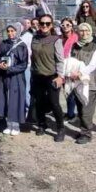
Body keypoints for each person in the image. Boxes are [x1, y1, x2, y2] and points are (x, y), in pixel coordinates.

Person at [29, 14, 66, 142]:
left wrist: (61, 76)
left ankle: (60, 128)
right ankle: (41, 124)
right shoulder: (35, 38)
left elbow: (60, 60)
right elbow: (32, 57)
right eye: (42, 23)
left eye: (47, 23)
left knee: (54, 103)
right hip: (37, 75)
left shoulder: (56, 40)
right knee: (38, 102)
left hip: (52, 76)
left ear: (51, 25)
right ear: (38, 24)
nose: (44, 25)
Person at [67, 23, 96, 144]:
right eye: (81, 31)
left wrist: (80, 74)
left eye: (86, 31)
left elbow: (93, 65)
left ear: (90, 31)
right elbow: (71, 61)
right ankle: (83, 131)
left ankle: (87, 134)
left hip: (90, 83)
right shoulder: (75, 46)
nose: (84, 33)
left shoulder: (95, 47)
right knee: (80, 109)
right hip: (77, 83)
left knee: (87, 110)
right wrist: (70, 73)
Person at [0, 23, 29, 136]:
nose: (10, 33)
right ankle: (8, 123)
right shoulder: (4, 43)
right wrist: (0, 65)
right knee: (5, 97)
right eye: (8, 31)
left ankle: (16, 124)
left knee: (16, 99)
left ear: (17, 31)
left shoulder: (22, 45)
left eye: (13, 31)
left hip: (16, 76)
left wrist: (10, 69)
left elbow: (23, 64)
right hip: (4, 75)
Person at [59, 17, 79, 120]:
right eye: (63, 25)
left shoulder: (76, 38)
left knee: (71, 92)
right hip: (61, 67)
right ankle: (70, 112)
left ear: (72, 26)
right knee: (66, 91)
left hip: (72, 67)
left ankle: (71, 114)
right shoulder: (59, 38)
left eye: (68, 25)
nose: (65, 27)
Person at [20, 18, 34, 113]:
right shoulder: (24, 36)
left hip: (27, 66)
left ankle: (28, 109)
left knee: (26, 88)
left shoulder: (28, 36)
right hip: (24, 65)